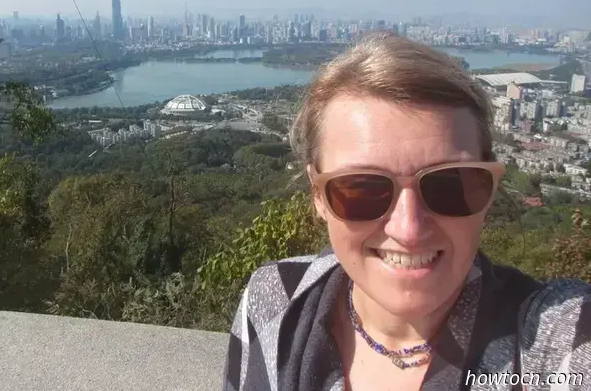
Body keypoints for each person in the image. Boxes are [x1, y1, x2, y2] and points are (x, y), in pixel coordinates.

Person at [221, 33, 591, 391]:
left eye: (449, 185)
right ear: (318, 196)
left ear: (490, 188)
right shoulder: (275, 299)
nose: (409, 228)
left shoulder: (557, 337)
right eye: (363, 189)